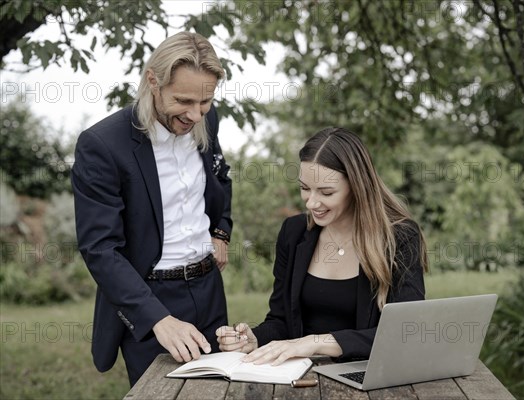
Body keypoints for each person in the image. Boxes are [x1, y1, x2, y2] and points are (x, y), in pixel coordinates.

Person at [71, 32, 232, 386]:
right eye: (184, 100)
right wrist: (158, 318)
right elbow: (100, 249)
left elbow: (221, 178)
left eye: (205, 101)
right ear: (153, 81)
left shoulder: (208, 117)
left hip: (210, 290)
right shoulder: (101, 145)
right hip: (151, 299)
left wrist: (222, 231)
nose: (195, 114)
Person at [216, 127, 427, 365]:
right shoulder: (294, 233)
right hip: (300, 376)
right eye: (305, 188)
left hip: (367, 377)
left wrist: (314, 342)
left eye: (326, 192)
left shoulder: (399, 237)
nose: (312, 203)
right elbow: (282, 321)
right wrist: (253, 338)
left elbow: (406, 332)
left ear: (356, 188)